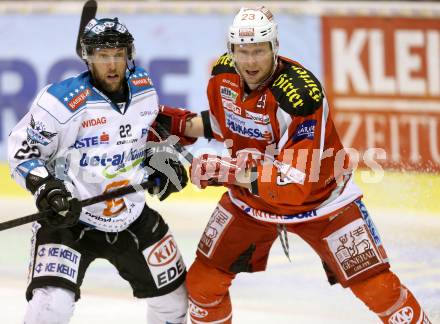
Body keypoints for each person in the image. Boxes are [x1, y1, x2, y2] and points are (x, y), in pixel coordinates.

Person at [169, 6, 431, 323]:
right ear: (231, 51)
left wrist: (226, 171)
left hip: (322, 204)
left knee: (380, 291)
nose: (250, 61)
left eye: (259, 51)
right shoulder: (223, 76)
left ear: (274, 48)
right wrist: (174, 123)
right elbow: (232, 123)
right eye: (242, 51)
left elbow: (293, 186)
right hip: (251, 204)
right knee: (202, 286)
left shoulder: (300, 96)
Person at [8, 17, 195, 324]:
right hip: (70, 219)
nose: (111, 64)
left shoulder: (145, 89)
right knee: (50, 307)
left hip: (131, 217)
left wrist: (160, 161)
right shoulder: (60, 103)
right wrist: (47, 188)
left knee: (174, 303)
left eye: (118, 54)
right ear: (88, 57)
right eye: (102, 55)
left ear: (129, 54)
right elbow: (22, 151)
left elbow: (143, 136)